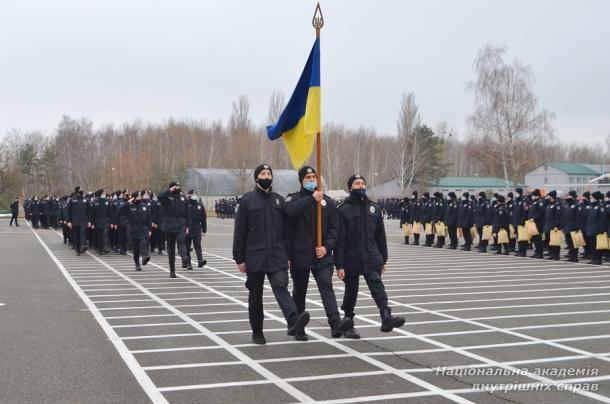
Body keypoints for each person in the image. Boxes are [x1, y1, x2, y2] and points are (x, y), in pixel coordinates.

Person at [232, 164, 310, 345]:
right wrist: (240, 258)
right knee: (255, 296)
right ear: (257, 178)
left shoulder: (278, 200)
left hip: (277, 255)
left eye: (269, 173)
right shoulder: (247, 201)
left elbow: (286, 230)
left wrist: (288, 255)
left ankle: (293, 321)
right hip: (255, 257)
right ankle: (257, 331)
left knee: (280, 286)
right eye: (263, 173)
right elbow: (240, 232)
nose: (266, 176)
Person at [284, 165, 352, 340]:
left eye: (313, 177)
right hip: (300, 255)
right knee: (299, 291)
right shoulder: (293, 199)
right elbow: (289, 213)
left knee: (326, 289)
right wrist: (311, 199)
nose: (311, 180)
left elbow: (335, 229)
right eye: (307, 178)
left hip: (321, 255)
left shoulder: (327, 202)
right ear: (301, 181)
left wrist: (327, 247)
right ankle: (299, 328)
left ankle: (335, 324)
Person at [335, 174, 405, 338]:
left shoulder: (374, 208)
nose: (360, 186)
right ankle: (348, 323)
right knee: (351, 292)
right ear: (350, 188)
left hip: (371, 257)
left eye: (362, 183)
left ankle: (386, 317)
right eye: (357, 183)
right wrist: (339, 265)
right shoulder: (343, 209)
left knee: (378, 288)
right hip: (351, 258)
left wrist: (383, 259)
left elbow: (380, 236)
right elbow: (340, 240)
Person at [158, 181, 190, 278]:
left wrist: (188, 226)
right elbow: (159, 197)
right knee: (171, 249)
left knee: (181, 241)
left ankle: (184, 257)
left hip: (181, 225)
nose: (177, 188)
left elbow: (188, 214)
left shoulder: (183, 198)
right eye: (175, 187)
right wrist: (169, 190)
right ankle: (172, 270)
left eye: (178, 186)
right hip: (169, 225)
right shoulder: (167, 197)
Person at [120, 191, 152, 271]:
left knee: (144, 243)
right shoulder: (130, 206)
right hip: (133, 229)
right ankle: (137, 263)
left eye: (140, 197)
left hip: (143, 228)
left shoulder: (145, 206)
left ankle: (145, 257)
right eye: (137, 197)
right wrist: (128, 202)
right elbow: (120, 209)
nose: (139, 198)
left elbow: (149, 218)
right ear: (133, 198)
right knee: (136, 248)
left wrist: (150, 229)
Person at [185, 190, 207, 270]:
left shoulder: (200, 205)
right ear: (189, 195)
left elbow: (203, 218)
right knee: (187, 246)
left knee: (197, 244)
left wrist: (204, 229)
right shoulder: (186, 204)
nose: (195, 195)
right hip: (188, 228)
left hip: (197, 227)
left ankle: (200, 261)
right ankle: (188, 263)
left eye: (196, 194)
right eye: (193, 194)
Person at [66, 186, 90, 255]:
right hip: (75, 221)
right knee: (76, 236)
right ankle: (77, 250)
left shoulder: (85, 200)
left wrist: (89, 221)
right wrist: (69, 221)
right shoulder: (72, 200)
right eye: (81, 189)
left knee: (83, 233)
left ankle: (83, 245)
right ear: (77, 191)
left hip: (83, 221)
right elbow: (68, 211)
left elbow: (89, 211)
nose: (82, 190)